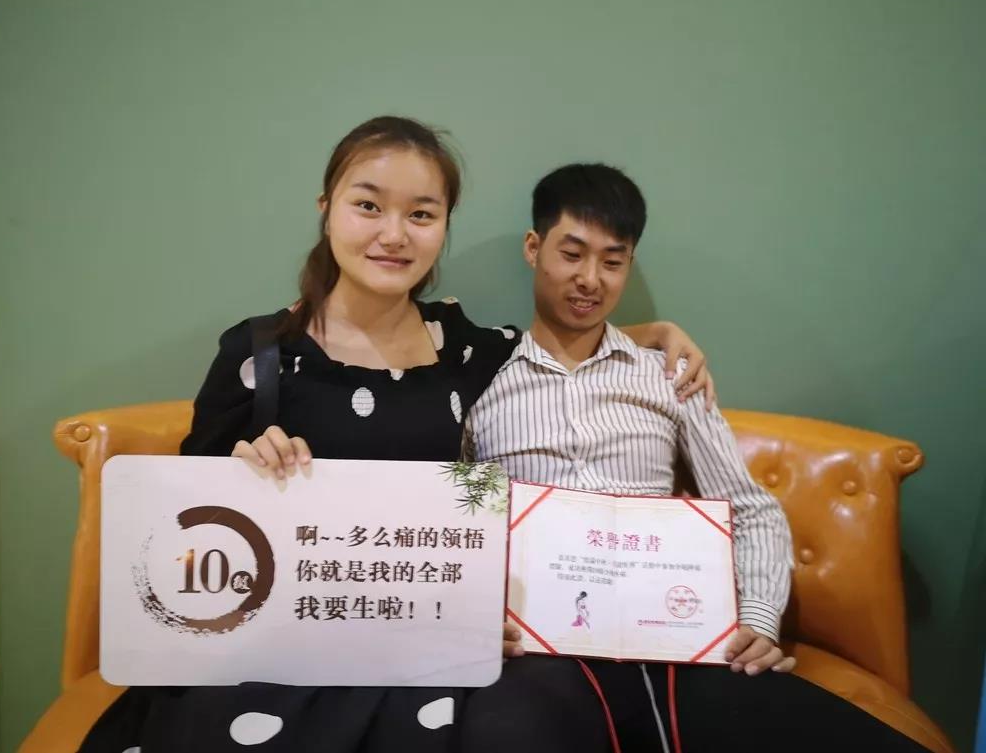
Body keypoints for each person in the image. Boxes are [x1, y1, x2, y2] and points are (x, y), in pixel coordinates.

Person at [79, 116, 714, 753]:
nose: (393, 234)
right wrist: (237, 477)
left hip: (422, 660)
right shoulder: (260, 355)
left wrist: (652, 336)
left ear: (443, 226)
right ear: (327, 209)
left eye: (421, 214)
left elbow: (562, 348)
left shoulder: (466, 349)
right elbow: (182, 546)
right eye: (367, 206)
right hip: (276, 655)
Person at [457, 162, 931, 752]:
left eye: (613, 261)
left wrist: (758, 622)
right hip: (540, 652)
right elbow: (457, 523)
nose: (590, 279)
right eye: (571, 254)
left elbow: (749, 509)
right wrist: (472, 612)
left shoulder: (667, 375)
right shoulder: (479, 379)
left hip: (675, 642)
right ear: (534, 249)